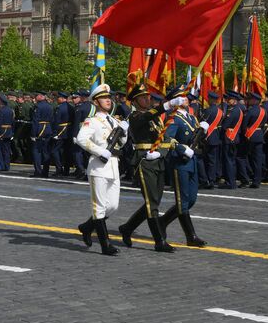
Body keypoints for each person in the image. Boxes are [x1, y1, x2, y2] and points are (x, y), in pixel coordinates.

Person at [117, 85, 175, 253]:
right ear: (134, 101)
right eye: (142, 97)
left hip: (157, 160)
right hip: (144, 161)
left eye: (148, 97)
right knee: (151, 203)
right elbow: (147, 117)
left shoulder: (156, 118)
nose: (147, 99)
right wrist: (166, 106)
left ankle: (127, 228)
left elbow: (164, 138)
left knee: (154, 201)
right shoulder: (134, 116)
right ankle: (159, 241)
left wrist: (163, 152)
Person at [75, 84, 126, 256]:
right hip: (98, 166)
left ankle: (87, 227)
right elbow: (81, 139)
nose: (108, 100)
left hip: (113, 165)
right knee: (99, 207)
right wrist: (99, 150)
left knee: (112, 206)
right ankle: (105, 245)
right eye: (104, 98)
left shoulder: (114, 121)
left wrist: (124, 133)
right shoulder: (93, 121)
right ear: (96, 102)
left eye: (109, 98)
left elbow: (122, 144)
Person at [158, 89, 208, 247]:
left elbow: (197, 139)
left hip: (192, 162)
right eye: (182, 97)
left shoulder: (192, 117)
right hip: (179, 162)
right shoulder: (173, 118)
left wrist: (203, 132)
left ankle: (162, 221)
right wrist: (181, 148)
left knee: (190, 200)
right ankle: (191, 236)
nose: (186, 99)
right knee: (182, 201)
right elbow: (166, 139)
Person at [0, 92, 14, 171]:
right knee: (6, 150)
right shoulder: (10, 110)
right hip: (8, 131)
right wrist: (12, 132)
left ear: (1, 101)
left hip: (1, 132)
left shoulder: (1, 110)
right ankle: (7, 166)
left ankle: (0, 166)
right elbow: (12, 122)